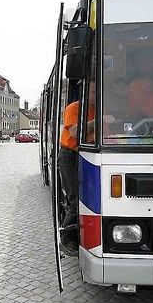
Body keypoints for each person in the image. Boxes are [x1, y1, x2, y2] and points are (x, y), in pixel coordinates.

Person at [58, 99, 95, 252]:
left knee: (88, 199)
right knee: (75, 199)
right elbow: (75, 132)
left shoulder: (102, 106)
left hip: (88, 155)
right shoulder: (74, 108)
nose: (94, 85)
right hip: (70, 156)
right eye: (91, 81)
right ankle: (66, 240)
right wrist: (98, 121)